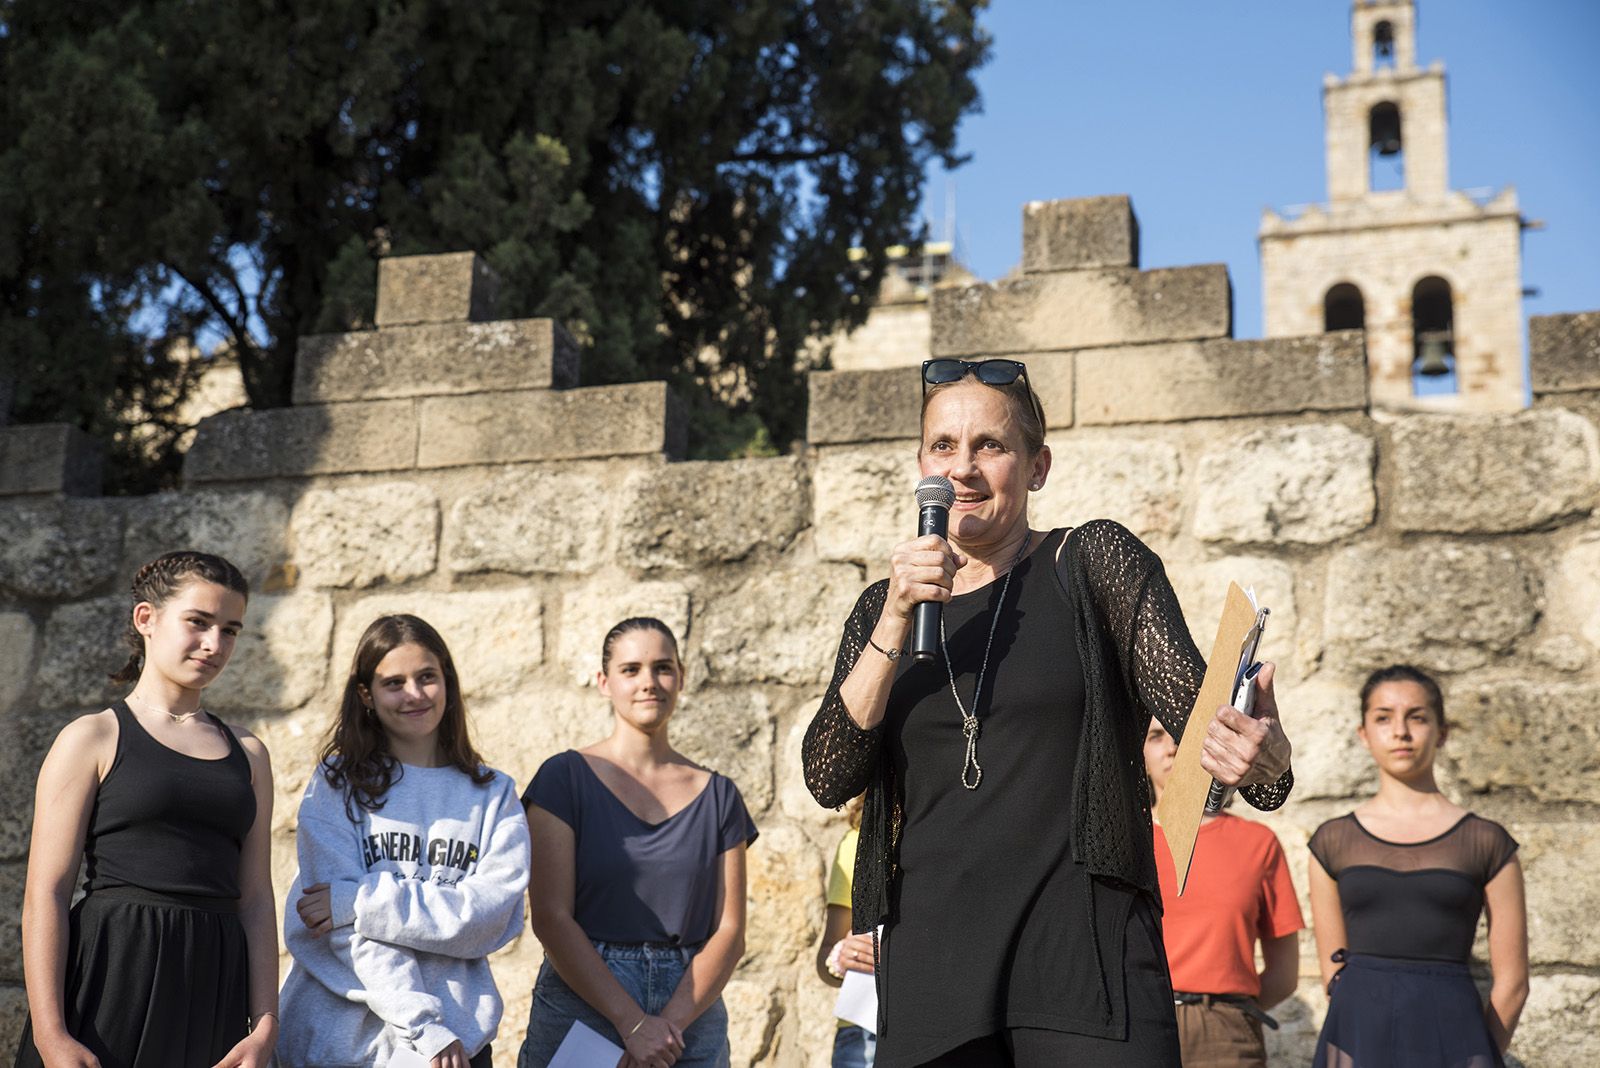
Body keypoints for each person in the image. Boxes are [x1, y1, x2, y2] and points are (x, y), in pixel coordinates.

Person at [801, 357, 1295, 1068]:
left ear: (1037, 467)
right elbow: (827, 773)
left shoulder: (1091, 562)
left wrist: (1266, 756)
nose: (963, 469)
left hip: (1084, 960)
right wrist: (894, 616)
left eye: (990, 446)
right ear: (921, 467)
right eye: (944, 446)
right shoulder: (882, 611)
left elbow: (1217, 735)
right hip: (931, 968)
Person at [15, 550, 279, 1068]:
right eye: (198, 622)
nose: (214, 644)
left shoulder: (250, 754)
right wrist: (51, 1035)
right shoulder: (92, 737)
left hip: (212, 983)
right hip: (113, 974)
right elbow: (45, 892)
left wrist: (265, 1025)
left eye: (230, 630)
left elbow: (255, 900)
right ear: (147, 619)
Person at [278, 614, 530, 1068]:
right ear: (366, 695)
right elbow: (336, 930)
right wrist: (422, 1024)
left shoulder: (494, 794)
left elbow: (488, 918)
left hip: (459, 1045)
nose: (414, 694)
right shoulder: (336, 785)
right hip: (340, 1046)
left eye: (427, 677)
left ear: (447, 682)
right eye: (394, 682)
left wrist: (361, 902)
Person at [518, 618, 757, 1068]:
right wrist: (632, 1023)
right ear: (604, 683)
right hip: (583, 1000)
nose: (649, 682)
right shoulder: (563, 778)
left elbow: (730, 931)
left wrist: (666, 1027)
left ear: (681, 678)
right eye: (631, 670)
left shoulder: (720, 795)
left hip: (690, 1012)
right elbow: (550, 917)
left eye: (662, 668)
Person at [1308, 665, 1528, 1068]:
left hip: (1455, 1038)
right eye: (1383, 718)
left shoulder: (1488, 842)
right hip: (1358, 1038)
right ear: (1364, 735)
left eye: (1417, 717)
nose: (1401, 732)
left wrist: (1479, 1056)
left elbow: (1513, 982)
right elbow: (1332, 973)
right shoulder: (1332, 842)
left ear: (1442, 733)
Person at [1144, 717, 1302, 1068]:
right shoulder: (1122, 843)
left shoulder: (1256, 844)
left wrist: (1229, 1011)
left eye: (1183, 734)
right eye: (1156, 736)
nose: (1171, 747)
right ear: (1139, 752)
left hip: (1225, 1033)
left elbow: (1284, 973)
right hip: (1137, 1025)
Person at [815, 797, 876, 1068]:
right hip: (863, 1028)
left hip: (937, 1028)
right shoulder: (855, 842)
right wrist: (841, 957)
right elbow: (826, 958)